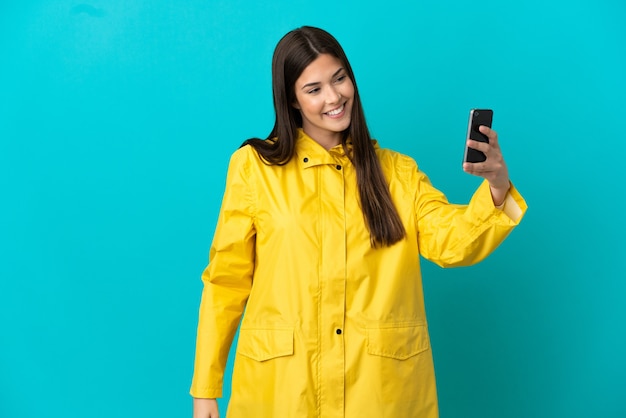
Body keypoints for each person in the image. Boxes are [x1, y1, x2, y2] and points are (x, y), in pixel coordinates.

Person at [190, 26, 527, 418]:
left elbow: (453, 243)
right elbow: (225, 282)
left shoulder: (398, 172)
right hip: (282, 391)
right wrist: (205, 389)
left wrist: (497, 187)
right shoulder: (254, 168)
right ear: (292, 100)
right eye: (313, 89)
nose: (334, 97)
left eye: (339, 79)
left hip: (380, 394)